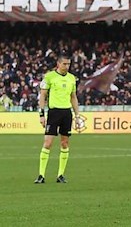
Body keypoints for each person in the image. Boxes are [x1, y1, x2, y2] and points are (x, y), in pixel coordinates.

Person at [35, 55, 81, 184]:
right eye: (65, 64)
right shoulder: (49, 77)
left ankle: (60, 175)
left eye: (69, 64)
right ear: (58, 64)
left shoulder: (72, 78)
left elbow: (73, 97)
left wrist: (77, 116)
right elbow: (43, 96)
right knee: (48, 143)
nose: (67, 66)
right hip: (54, 113)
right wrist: (41, 114)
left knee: (65, 143)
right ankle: (41, 175)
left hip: (67, 113)